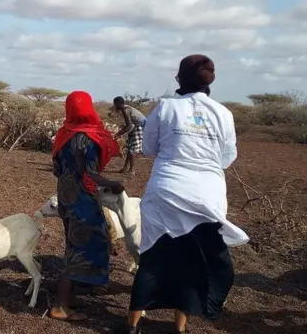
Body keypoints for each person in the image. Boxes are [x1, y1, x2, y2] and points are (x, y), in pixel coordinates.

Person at [114, 55, 249, 334]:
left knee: (152, 257)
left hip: (167, 193)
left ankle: (132, 325)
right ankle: (180, 328)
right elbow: (227, 157)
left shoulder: (165, 107)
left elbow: (148, 149)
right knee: (192, 260)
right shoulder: (223, 113)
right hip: (208, 197)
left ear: (180, 78)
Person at [50, 90, 125, 321]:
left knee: (73, 245)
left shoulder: (63, 135)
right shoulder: (87, 138)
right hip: (82, 199)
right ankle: (60, 307)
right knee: (82, 248)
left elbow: (57, 170)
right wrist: (114, 183)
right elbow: (91, 173)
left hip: (66, 196)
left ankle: (70, 298)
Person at [112, 96, 146, 175]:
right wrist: (120, 133)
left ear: (117, 103)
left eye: (115, 104)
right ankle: (125, 168)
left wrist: (118, 134)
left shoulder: (125, 110)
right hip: (135, 126)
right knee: (130, 148)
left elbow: (129, 126)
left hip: (139, 127)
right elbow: (129, 125)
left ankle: (132, 170)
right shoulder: (126, 108)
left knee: (132, 150)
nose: (115, 106)